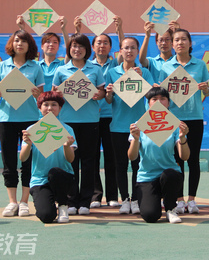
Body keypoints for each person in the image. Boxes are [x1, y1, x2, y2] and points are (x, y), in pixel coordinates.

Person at [0, 30, 45, 217]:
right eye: (16, 40)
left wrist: (36, 94)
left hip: (29, 119)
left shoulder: (35, 67)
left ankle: (24, 201)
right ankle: (12, 201)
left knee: (28, 161)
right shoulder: (1, 66)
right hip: (7, 119)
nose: (19, 44)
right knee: (9, 161)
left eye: (23, 41)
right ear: (11, 44)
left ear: (29, 45)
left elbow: (40, 97)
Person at [52, 33, 106, 215]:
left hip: (90, 120)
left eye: (81, 46)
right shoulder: (61, 70)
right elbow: (54, 94)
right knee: (70, 162)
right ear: (69, 49)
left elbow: (102, 91)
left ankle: (86, 201)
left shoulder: (95, 69)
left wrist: (99, 94)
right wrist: (59, 92)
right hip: (67, 122)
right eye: (74, 46)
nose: (77, 49)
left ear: (86, 50)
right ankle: (70, 199)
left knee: (89, 162)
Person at [158, 28, 209, 214]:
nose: (180, 43)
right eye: (176, 40)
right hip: (173, 119)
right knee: (176, 160)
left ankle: (192, 199)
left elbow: (207, 92)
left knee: (193, 159)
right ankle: (179, 199)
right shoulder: (166, 67)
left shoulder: (200, 65)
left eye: (183, 40)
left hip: (194, 117)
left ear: (190, 43)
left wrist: (204, 89)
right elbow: (161, 96)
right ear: (172, 45)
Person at [76, 15, 124, 209]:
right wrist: (77, 30)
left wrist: (119, 28)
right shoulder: (87, 66)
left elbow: (124, 48)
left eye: (105, 43)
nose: (102, 46)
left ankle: (113, 195)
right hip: (92, 118)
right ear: (92, 47)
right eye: (98, 43)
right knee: (92, 157)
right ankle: (96, 195)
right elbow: (75, 48)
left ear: (110, 47)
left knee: (111, 157)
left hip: (112, 117)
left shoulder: (115, 64)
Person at [105, 37, 154, 215]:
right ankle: (124, 198)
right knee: (120, 164)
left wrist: (142, 80)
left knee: (137, 164)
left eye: (133, 48)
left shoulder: (144, 72)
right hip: (118, 126)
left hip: (139, 127)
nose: (130, 51)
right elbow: (109, 100)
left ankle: (136, 198)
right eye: (126, 48)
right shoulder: (112, 72)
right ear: (120, 51)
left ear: (137, 50)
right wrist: (109, 93)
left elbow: (151, 97)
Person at [128, 87, 190, 223]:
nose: (158, 102)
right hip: (147, 176)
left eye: (163, 99)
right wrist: (136, 139)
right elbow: (132, 157)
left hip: (169, 174)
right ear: (148, 103)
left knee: (170, 175)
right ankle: (155, 201)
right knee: (150, 216)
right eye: (154, 99)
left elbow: (184, 157)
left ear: (168, 103)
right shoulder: (140, 125)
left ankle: (170, 209)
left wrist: (183, 137)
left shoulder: (174, 124)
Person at [20, 91, 76, 223]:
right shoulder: (32, 130)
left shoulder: (67, 130)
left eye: (54, 105)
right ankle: (50, 205)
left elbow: (70, 159)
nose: (50, 108)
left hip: (63, 177)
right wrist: (28, 144)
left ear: (60, 108)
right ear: (39, 108)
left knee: (55, 173)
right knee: (46, 216)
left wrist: (67, 146)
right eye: (45, 104)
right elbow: (23, 158)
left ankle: (63, 206)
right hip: (40, 180)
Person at [16, 15, 70, 92]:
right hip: (37, 102)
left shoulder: (62, 64)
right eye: (47, 42)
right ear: (42, 46)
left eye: (55, 42)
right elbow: (22, 52)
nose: (51, 44)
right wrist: (22, 29)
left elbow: (69, 50)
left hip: (56, 103)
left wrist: (63, 29)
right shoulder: (35, 65)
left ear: (58, 47)